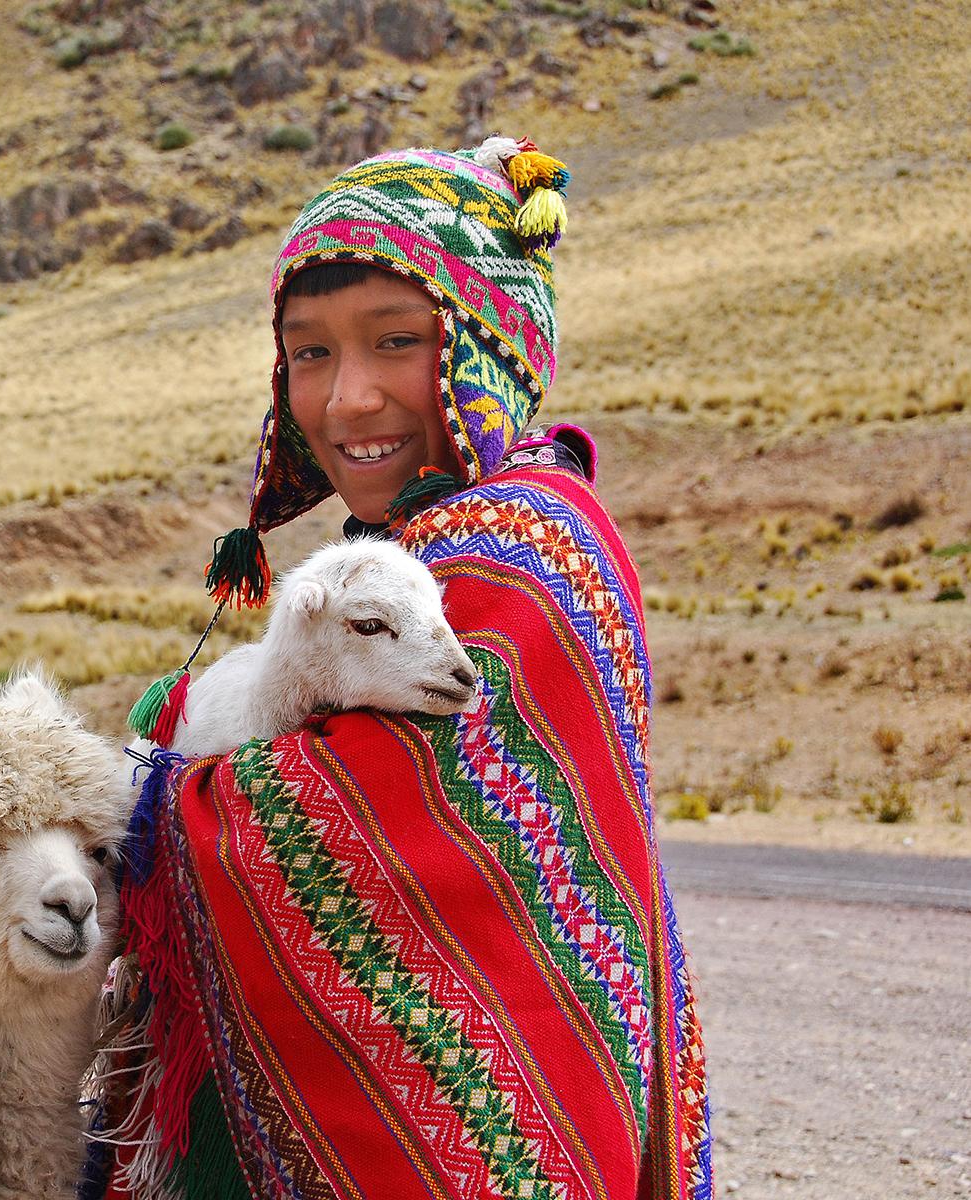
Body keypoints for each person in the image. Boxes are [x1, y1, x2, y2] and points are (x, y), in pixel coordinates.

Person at [95, 139, 713, 1200]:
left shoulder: (518, 553)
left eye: (395, 342)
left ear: (484, 349)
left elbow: (360, 819)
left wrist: (141, 786)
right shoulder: (430, 547)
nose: (347, 400)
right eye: (310, 355)